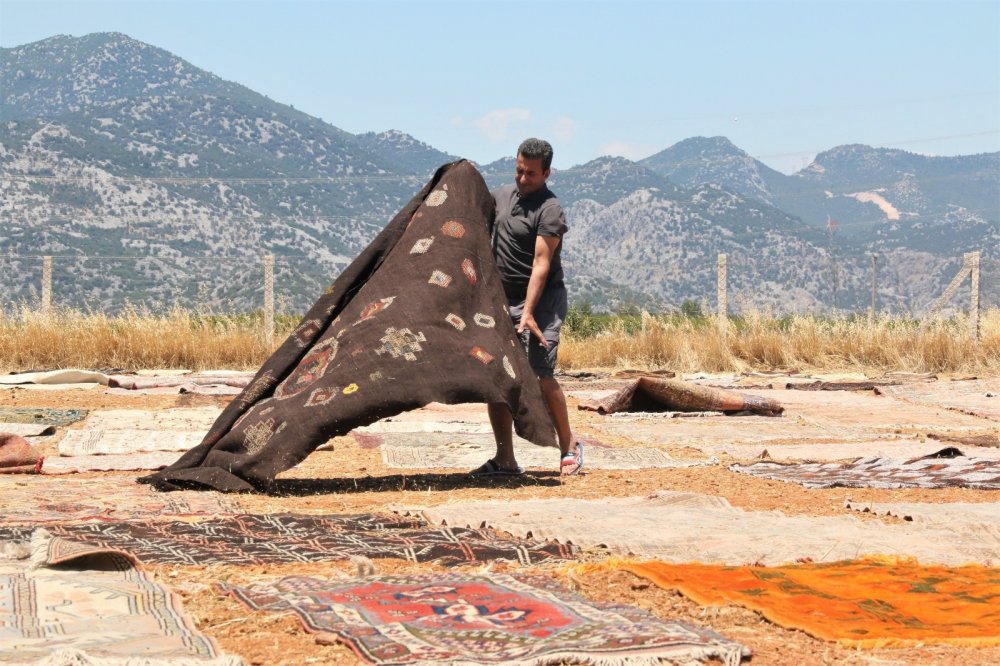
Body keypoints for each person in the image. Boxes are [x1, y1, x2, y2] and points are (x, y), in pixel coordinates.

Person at [472, 138, 583, 477]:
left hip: (543, 303)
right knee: (498, 376)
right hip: (502, 301)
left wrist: (530, 313)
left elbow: (541, 263)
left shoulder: (550, 209)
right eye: (519, 171)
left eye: (531, 174)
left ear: (547, 173)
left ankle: (569, 445)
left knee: (541, 374)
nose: (523, 179)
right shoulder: (502, 197)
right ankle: (505, 459)